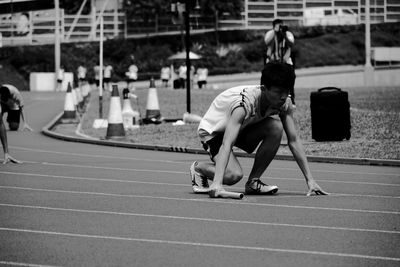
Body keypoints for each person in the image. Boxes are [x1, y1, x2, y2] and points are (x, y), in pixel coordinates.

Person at [190, 63, 328, 198]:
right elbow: (227, 143)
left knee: (276, 127)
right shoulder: (243, 104)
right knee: (233, 175)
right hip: (213, 132)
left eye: (287, 91)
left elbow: (294, 140)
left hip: (242, 127)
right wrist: (217, 184)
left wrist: (310, 180)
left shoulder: (285, 104)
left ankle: (253, 182)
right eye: (279, 92)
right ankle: (199, 168)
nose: (283, 96)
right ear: (264, 88)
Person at [264, 19, 296, 104]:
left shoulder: (288, 33)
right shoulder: (270, 33)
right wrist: (275, 32)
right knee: (266, 79)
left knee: (290, 79)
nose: (280, 28)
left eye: (281, 25)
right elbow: (267, 42)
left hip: (286, 61)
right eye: (278, 26)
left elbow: (291, 44)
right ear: (273, 26)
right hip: (272, 61)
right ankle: (266, 100)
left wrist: (284, 35)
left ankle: (291, 100)